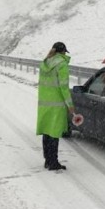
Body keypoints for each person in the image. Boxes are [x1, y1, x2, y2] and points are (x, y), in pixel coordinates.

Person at [36, 42, 75, 171]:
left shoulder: (45, 63)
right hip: (57, 104)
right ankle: (53, 163)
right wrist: (70, 105)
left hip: (44, 103)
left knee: (47, 132)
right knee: (55, 133)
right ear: (63, 52)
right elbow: (63, 87)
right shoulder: (62, 64)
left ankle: (48, 160)